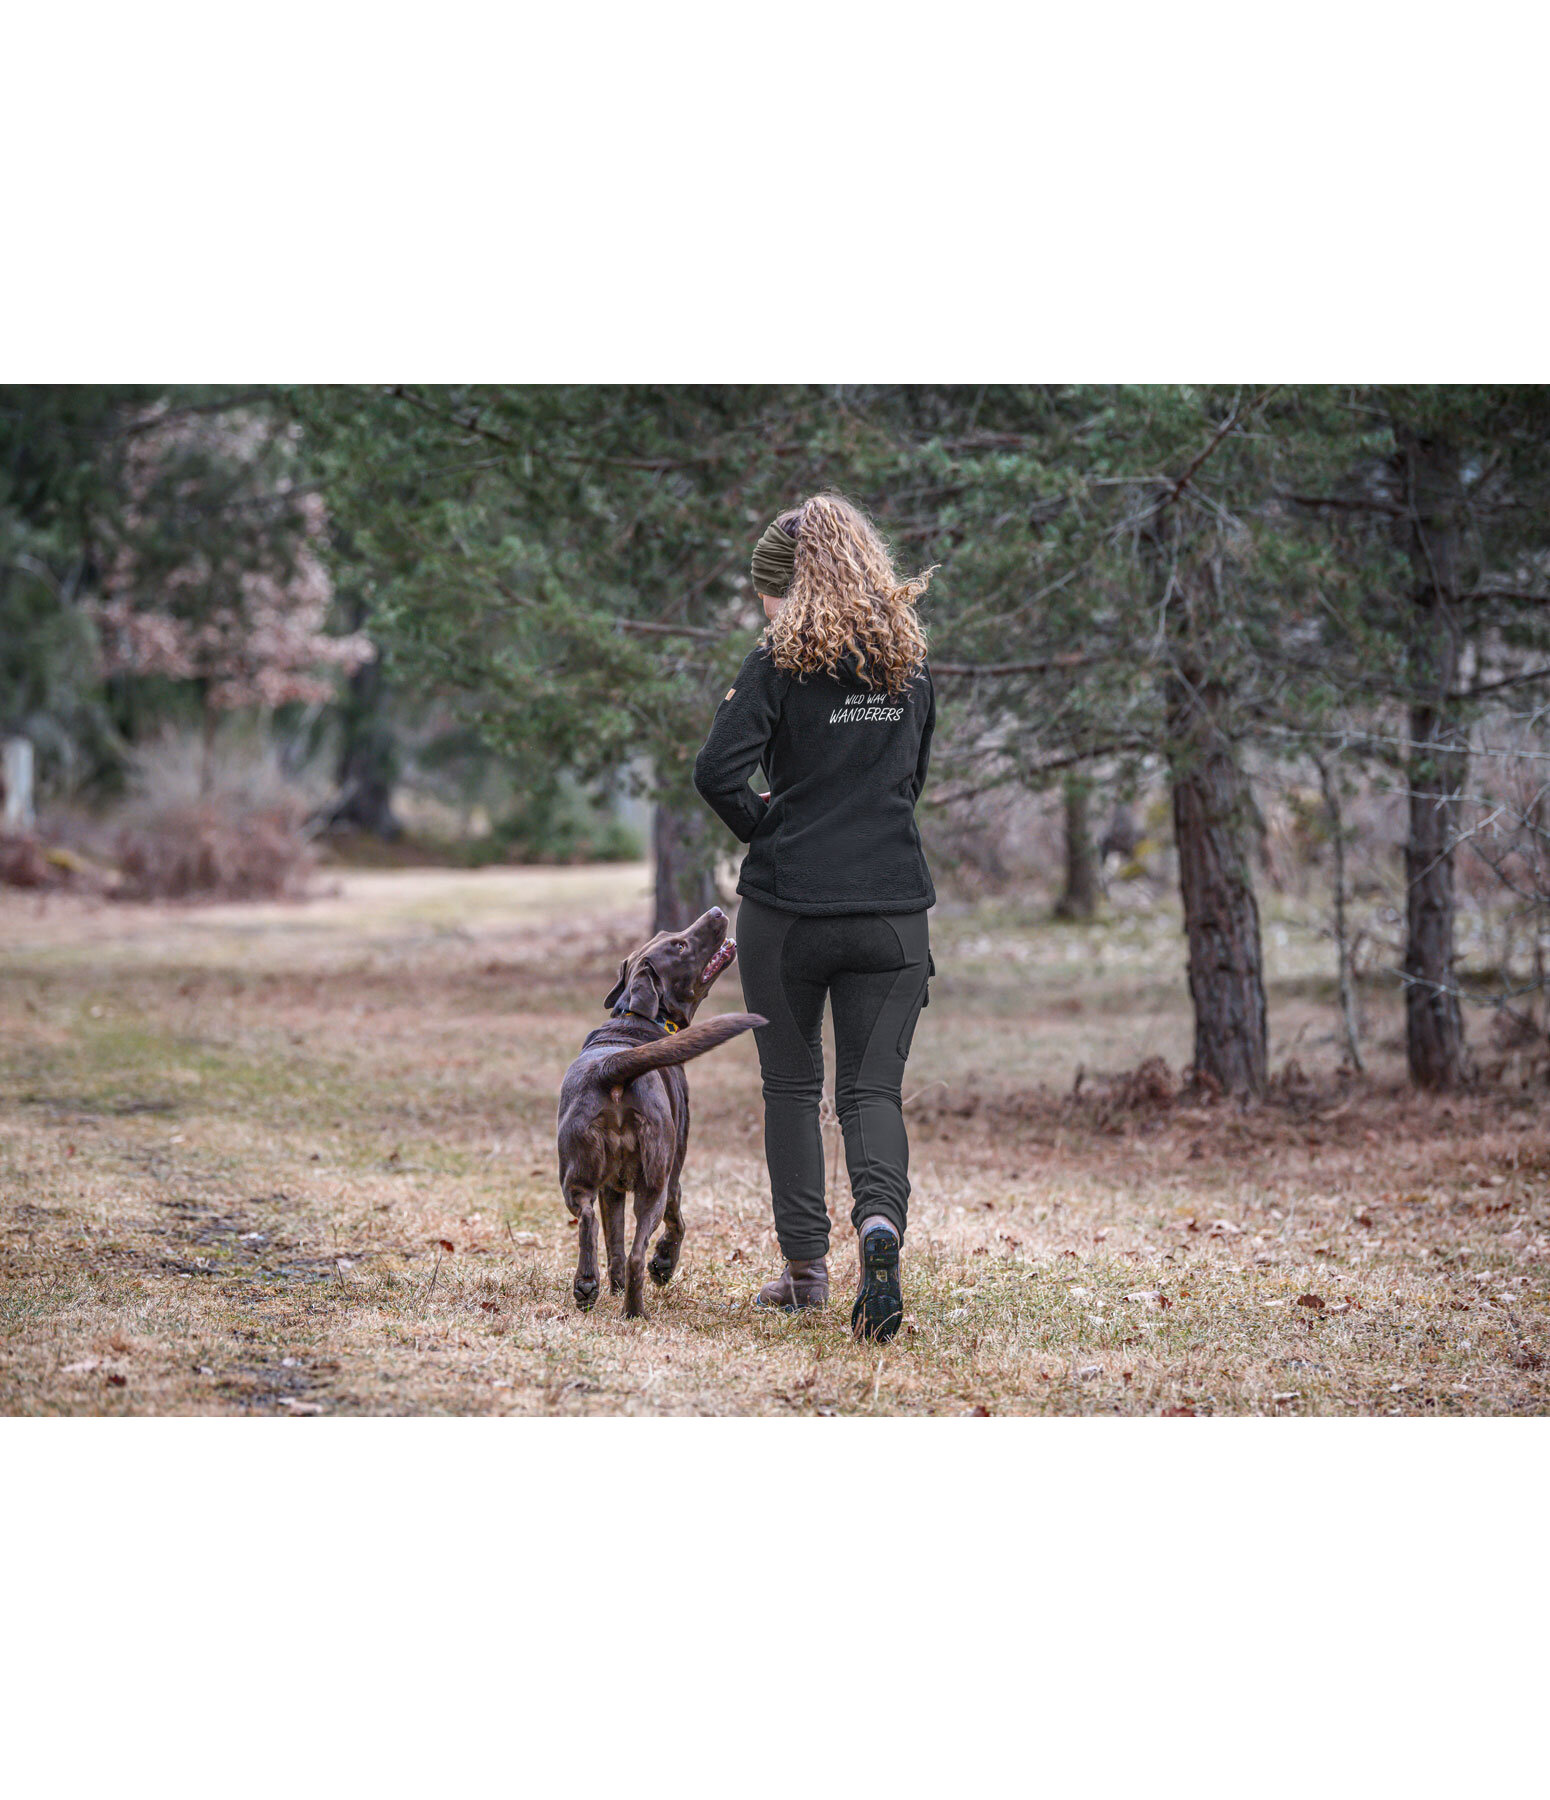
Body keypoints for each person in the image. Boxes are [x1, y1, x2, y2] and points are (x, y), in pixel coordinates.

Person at [692, 493, 937, 1342]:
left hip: (789, 911)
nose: (762, 606)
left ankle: (805, 1274)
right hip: (893, 914)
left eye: (766, 589)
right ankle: (880, 1227)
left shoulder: (776, 663)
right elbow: (911, 781)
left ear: (789, 585)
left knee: (791, 1090)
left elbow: (718, 771)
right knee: (871, 1091)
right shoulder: (908, 664)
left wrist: (775, 827)